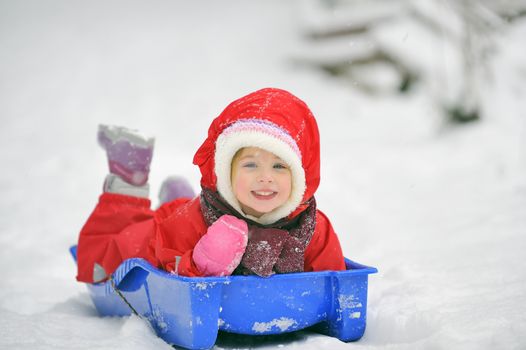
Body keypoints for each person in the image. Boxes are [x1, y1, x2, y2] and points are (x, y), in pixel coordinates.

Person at [76, 88, 345, 283]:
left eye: (279, 166)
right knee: (104, 261)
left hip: (182, 212)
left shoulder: (312, 227)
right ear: (226, 172)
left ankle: (175, 196)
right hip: (173, 224)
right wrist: (201, 264)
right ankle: (129, 179)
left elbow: (336, 281)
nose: (266, 177)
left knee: (172, 210)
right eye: (250, 165)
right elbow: (157, 273)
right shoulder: (197, 219)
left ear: (300, 176)